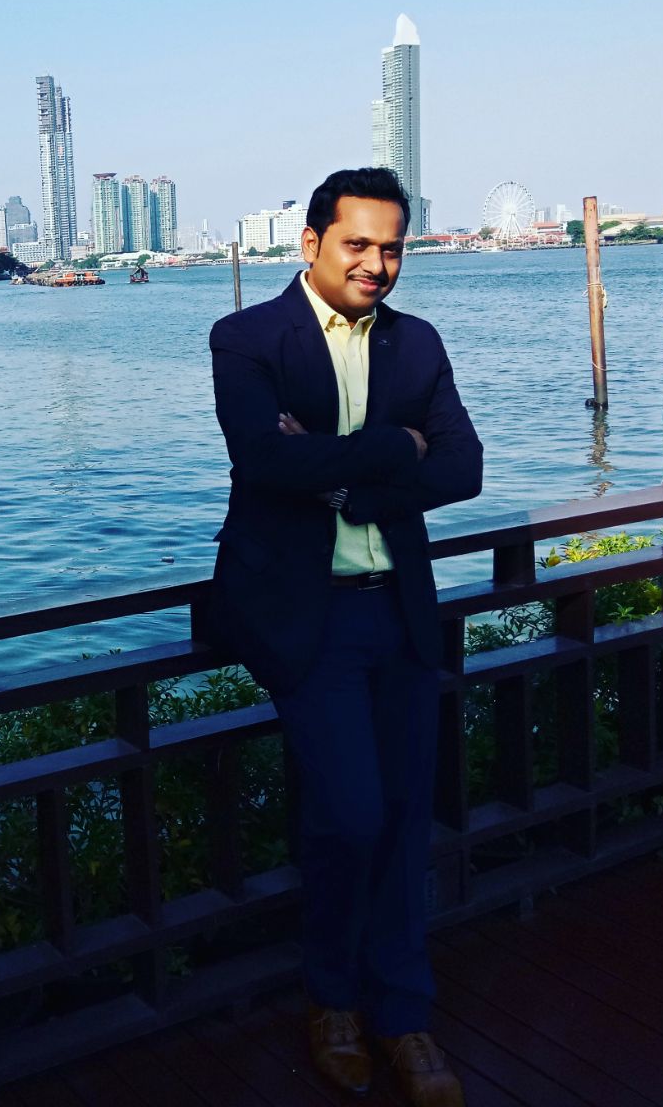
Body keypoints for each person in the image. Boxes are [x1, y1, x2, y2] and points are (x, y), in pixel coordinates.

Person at [208, 166, 482, 1106]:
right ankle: (331, 1000)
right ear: (312, 242)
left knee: (404, 817)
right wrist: (396, 447)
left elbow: (465, 467)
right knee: (352, 813)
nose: (376, 263)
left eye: (391, 247)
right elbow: (263, 460)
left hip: (397, 608)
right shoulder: (249, 338)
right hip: (307, 617)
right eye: (357, 243)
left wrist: (341, 479)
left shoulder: (417, 342)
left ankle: (404, 1015)